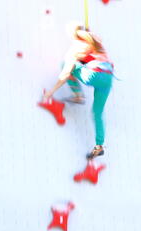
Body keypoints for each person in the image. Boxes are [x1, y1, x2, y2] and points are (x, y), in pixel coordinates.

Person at [43, 22, 113, 159]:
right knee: (97, 113)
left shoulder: (76, 47)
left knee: (67, 65)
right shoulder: (97, 44)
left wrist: (50, 92)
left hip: (94, 75)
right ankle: (99, 145)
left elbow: (65, 74)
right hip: (108, 79)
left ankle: (78, 95)